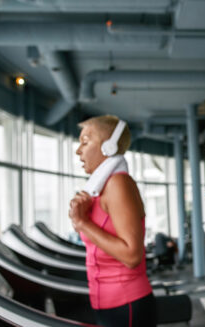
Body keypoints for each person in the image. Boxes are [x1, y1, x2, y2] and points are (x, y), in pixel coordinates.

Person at [70, 115, 157, 327]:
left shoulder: (119, 184)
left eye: (85, 141)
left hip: (126, 303)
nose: (78, 150)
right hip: (107, 303)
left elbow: (132, 255)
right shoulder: (101, 189)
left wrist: (83, 224)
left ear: (108, 147)